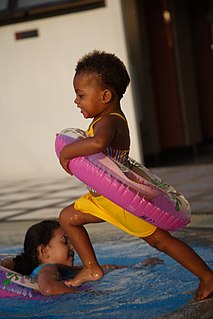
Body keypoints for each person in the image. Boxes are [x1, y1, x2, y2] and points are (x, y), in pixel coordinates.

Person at [59, 50, 213, 301]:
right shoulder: (105, 117)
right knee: (68, 218)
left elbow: (98, 143)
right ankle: (91, 268)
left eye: (80, 95)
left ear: (105, 95)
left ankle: (207, 277)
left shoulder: (108, 121)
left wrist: (67, 153)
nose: (76, 101)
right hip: (101, 197)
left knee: (160, 241)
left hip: (120, 201)